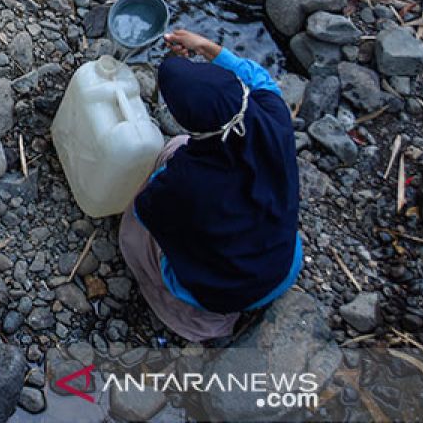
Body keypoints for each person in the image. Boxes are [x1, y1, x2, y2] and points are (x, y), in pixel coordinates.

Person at [118, 28, 302, 342]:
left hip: (226, 292)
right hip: (284, 265)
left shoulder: (189, 182)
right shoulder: (273, 116)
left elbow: (148, 207)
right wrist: (206, 47)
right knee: (178, 151)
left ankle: (195, 319)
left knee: (133, 231)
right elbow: (256, 77)